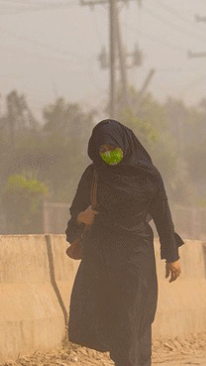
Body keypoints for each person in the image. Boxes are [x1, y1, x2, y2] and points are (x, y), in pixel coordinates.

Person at [65, 119, 183, 366]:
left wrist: (171, 255)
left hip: (136, 254)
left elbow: (163, 216)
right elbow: (76, 211)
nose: (108, 153)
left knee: (132, 314)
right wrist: (80, 217)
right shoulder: (94, 174)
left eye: (113, 147)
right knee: (111, 315)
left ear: (125, 145)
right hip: (101, 257)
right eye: (103, 149)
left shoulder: (148, 176)